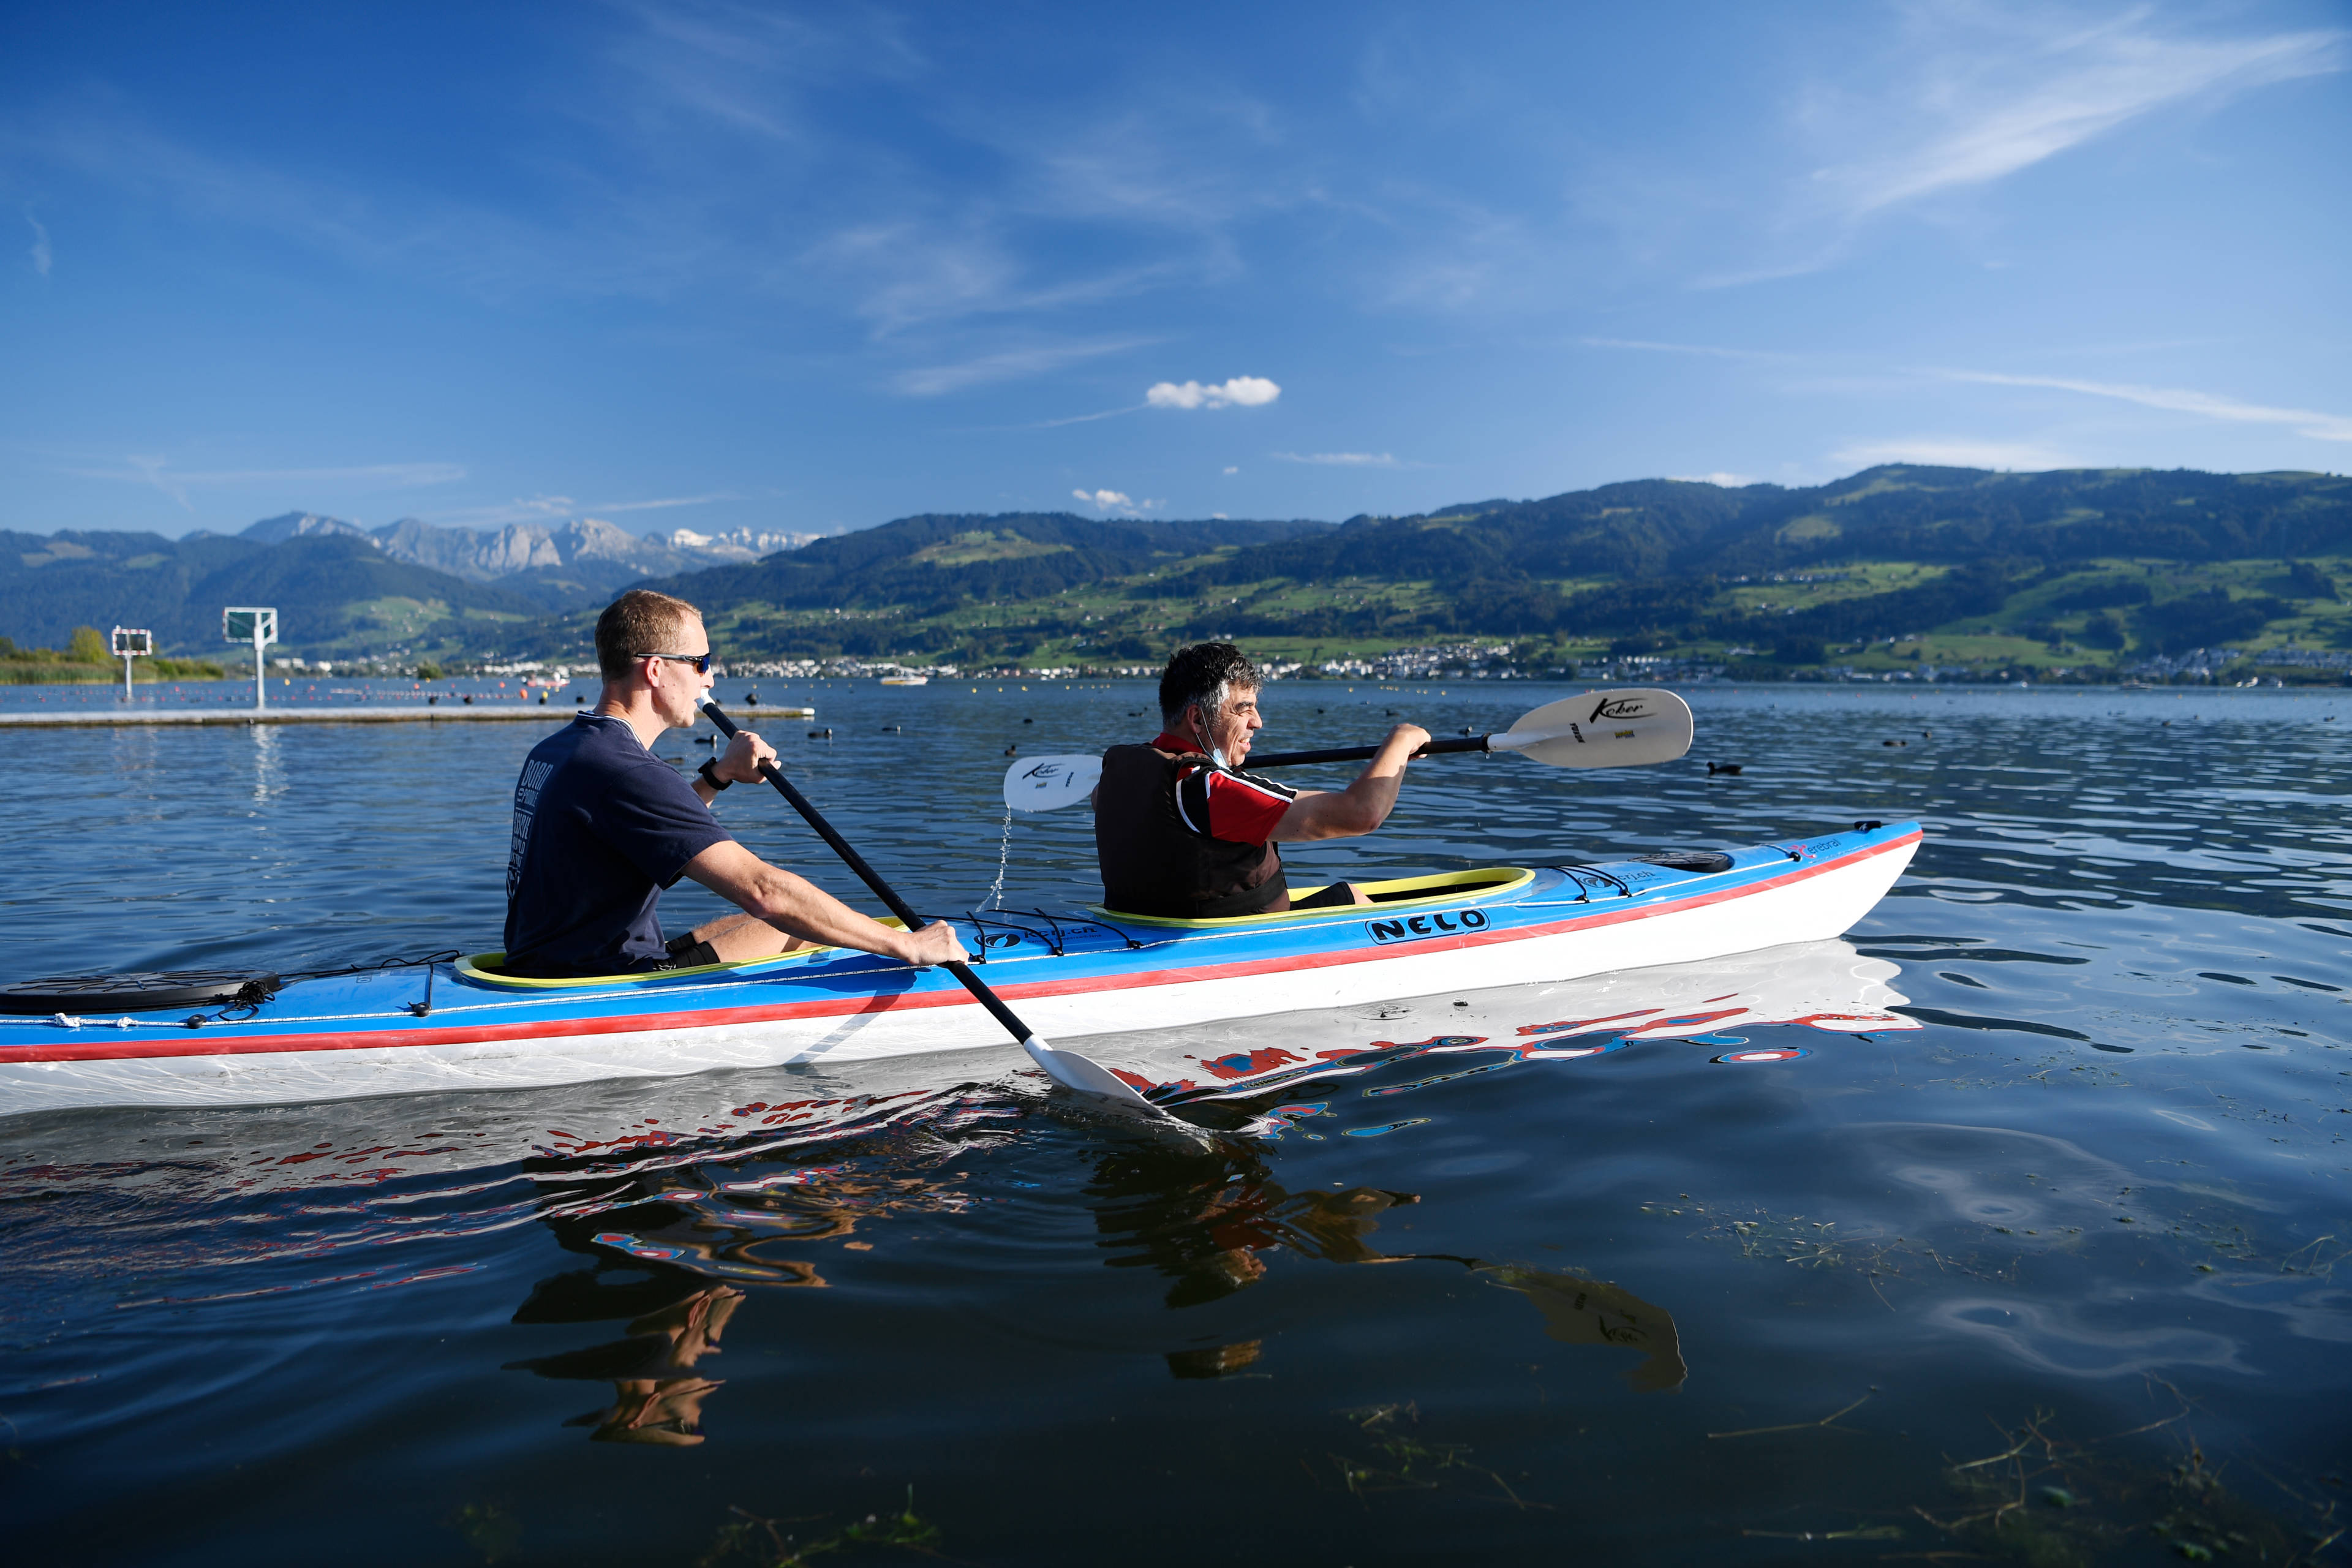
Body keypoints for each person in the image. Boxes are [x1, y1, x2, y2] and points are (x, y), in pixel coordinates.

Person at [501, 589, 968, 978]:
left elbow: (648, 830)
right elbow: (764, 891)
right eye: (701, 662)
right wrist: (904, 945)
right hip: (596, 978)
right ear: (657, 669)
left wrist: (719, 775)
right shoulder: (628, 771)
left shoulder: (561, 748)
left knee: (789, 925)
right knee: (797, 917)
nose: (711, 677)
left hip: (544, 958)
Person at [1094, 643, 1429, 918]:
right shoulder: (1210, 792)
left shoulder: (1116, 776)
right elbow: (1361, 814)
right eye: (1244, 708)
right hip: (1226, 943)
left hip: (1142, 926)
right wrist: (1400, 741)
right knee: (1353, 898)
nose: (1258, 722)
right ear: (1197, 718)